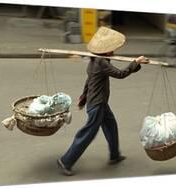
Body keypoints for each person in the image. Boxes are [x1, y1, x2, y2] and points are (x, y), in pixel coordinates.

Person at [57, 26, 149, 176]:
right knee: (87, 134)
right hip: (97, 105)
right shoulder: (102, 62)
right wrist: (136, 62)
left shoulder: (94, 59)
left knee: (111, 126)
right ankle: (66, 161)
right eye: (112, 49)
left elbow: (89, 80)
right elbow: (120, 74)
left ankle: (114, 156)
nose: (114, 52)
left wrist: (83, 96)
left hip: (100, 102)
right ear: (106, 50)